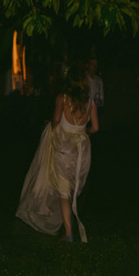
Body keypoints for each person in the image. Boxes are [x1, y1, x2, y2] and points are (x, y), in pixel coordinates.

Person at [16, 72, 98, 242]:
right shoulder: (90, 103)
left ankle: (68, 233)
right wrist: (82, 132)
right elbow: (95, 128)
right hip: (81, 152)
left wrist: (57, 132)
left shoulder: (62, 99)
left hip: (64, 149)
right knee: (70, 190)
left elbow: (55, 121)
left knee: (63, 192)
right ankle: (68, 230)